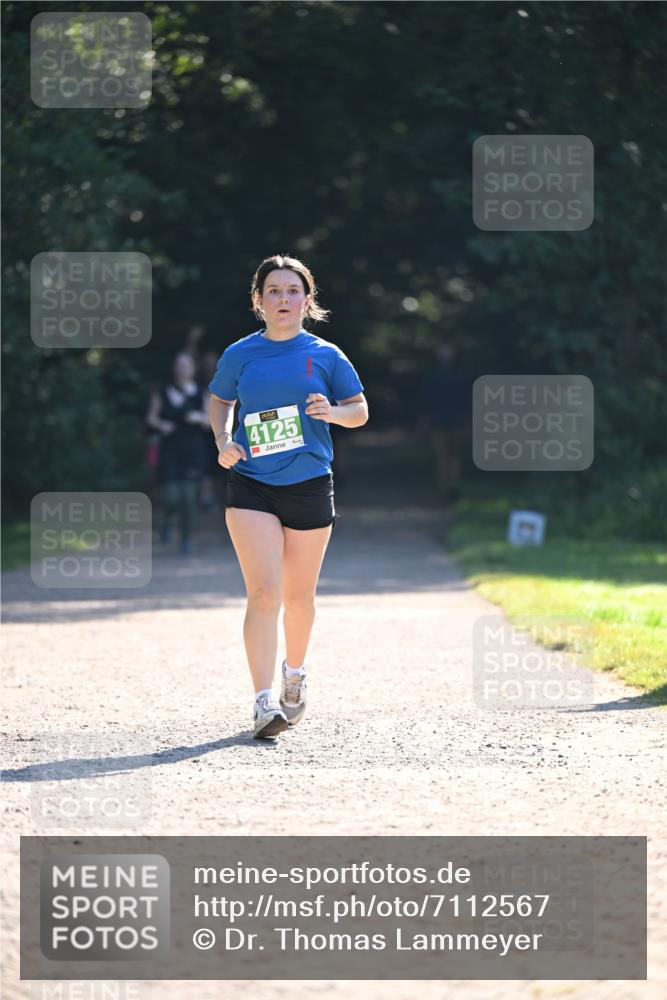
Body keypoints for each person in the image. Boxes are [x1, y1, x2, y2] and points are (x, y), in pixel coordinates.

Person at [208, 254, 368, 738]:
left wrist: (332, 412)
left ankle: (293, 675)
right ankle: (261, 704)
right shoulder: (240, 354)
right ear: (258, 301)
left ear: (307, 299)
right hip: (252, 482)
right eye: (273, 290)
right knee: (264, 593)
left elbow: (359, 410)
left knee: (299, 599)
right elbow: (220, 402)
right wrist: (224, 441)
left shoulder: (326, 355)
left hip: (309, 482)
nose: (283, 299)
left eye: (292, 290)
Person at [146, 352, 210, 555]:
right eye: (179, 365)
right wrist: (161, 424)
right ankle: (167, 520)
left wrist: (198, 417)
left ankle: (186, 539)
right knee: (171, 496)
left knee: (189, 499)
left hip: (193, 450)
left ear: (193, 368)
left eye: (186, 365)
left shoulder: (202, 393)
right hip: (169, 450)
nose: (183, 368)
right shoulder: (163, 392)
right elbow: (151, 418)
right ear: (175, 368)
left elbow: (210, 422)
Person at [416, 343, 469, 500]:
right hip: (456, 421)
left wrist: (423, 423)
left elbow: (425, 402)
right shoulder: (460, 377)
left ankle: (443, 488)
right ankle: (453, 486)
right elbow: (466, 402)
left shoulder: (431, 377)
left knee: (442, 456)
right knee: (455, 456)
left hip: (438, 422)